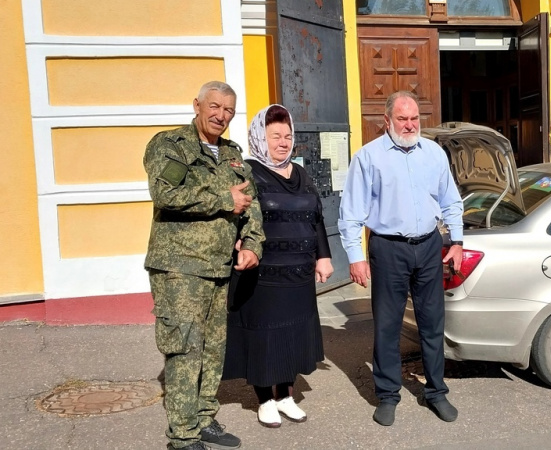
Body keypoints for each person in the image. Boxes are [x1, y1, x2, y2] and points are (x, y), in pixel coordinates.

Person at [144, 81, 265, 450]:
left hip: (218, 267)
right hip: (179, 267)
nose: (221, 116)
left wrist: (254, 243)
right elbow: (165, 193)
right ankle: (182, 436)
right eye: (214, 107)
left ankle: (204, 417)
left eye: (228, 110)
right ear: (197, 105)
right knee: (184, 349)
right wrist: (222, 199)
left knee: (213, 348)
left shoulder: (232, 153)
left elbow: (251, 202)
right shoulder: (172, 145)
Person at [338, 91, 464, 426]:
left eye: (414, 119)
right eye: (402, 119)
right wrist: (355, 256)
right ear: (387, 121)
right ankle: (388, 395)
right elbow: (351, 212)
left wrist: (457, 240)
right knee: (388, 325)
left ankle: (436, 391)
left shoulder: (434, 153)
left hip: (427, 246)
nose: (409, 125)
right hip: (388, 248)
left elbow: (451, 199)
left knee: (432, 322)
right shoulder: (368, 157)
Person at [222, 104, 334, 428]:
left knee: (293, 334)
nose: (283, 142)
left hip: (298, 275)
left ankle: (285, 394)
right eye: (275, 136)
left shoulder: (300, 173)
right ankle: (265, 399)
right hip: (263, 276)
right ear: (261, 137)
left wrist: (323, 256)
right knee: (265, 338)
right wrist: (234, 241)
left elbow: (316, 218)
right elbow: (232, 214)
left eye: (287, 136)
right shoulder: (247, 171)